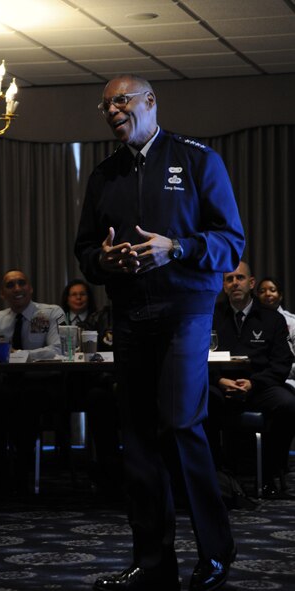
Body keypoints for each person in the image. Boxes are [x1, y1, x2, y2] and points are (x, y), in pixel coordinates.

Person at [74, 74, 245, 591]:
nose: (111, 111)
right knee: (138, 441)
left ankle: (216, 553)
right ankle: (152, 564)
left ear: (149, 102)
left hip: (185, 312)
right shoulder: (104, 175)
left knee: (178, 425)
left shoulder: (197, 160)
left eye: (120, 101)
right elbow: (83, 253)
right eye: (105, 105)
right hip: (129, 316)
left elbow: (229, 243)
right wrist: (102, 260)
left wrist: (179, 248)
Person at [207, 262, 295, 498]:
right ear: (223, 285)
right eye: (229, 279)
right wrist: (219, 380)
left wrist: (254, 383)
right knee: (202, 401)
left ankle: (269, 475)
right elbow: (197, 357)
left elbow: (281, 362)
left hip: (258, 386)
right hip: (221, 385)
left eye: (240, 278)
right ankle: (217, 477)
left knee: (287, 404)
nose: (235, 283)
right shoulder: (211, 316)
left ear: (251, 283)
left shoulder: (272, 319)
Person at [0, 268, 66, 496]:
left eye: (21, 283)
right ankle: (0, 470)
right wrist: (4, 353)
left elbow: (58, 349)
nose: (17, 288)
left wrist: (18, 354)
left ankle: (23, 471)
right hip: (4, 384)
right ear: (1, 293)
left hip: (41, 384)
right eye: (10, 285)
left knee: (29, 399)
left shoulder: (51, 313)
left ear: (30, 288)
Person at [61, 279, 122, 495]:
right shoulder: (98, 318)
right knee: (97, 397)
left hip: (138, 382)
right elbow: (89, 358)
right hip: (106, 384)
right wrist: (111, 382)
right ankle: (110, 468)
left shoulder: (149, 314)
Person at [256, 275, 295, 390]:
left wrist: (278, 372)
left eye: (272, 290)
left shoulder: (292, 322)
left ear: (280, 295)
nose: (267, 294)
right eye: (262, 291)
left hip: (287, 378)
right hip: (257, 378)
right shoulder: (252, 321)